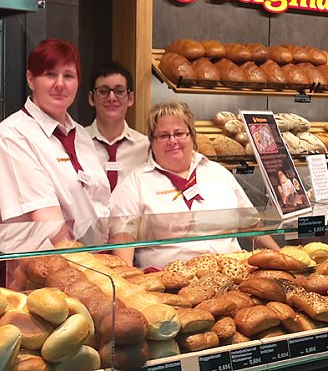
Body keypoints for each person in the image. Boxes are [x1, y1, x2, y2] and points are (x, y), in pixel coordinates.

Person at [109, 102, 279, 268]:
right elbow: (123, 236)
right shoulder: (135, 183)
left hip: (232, 275)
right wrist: (127, 277)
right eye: (163, 135)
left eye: (179, 133)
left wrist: (280, 256)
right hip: (169, 283)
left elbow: (251, 224)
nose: (173, 141)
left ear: (192, 136)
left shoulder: (218, 173)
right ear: (151, 142)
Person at [0, 38, 110, 251]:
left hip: (89, 260)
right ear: (31, 79)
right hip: (40, 271)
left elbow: (100, 206)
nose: (60, 84)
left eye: (68, 76)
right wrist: (86, 267)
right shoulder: (13, 136)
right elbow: (47, 220)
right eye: (50, 74)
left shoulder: (80, 134)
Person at [85, 63, 149, 191]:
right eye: (103, 91)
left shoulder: (146, 147)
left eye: (119, 91)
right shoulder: (77, 143)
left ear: (130, 99)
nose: (112, 98)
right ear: (91, 98)